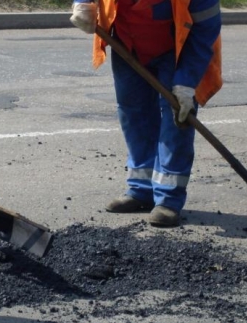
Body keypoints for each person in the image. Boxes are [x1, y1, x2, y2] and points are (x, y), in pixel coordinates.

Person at [70, 0, 222, 227]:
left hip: (176, 49)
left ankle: (168, 199)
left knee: (176, 118)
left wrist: (186, 83)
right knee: (133, 114)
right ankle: (141, 189)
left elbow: (206, 28)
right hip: (126, 40)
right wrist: (81, 2)